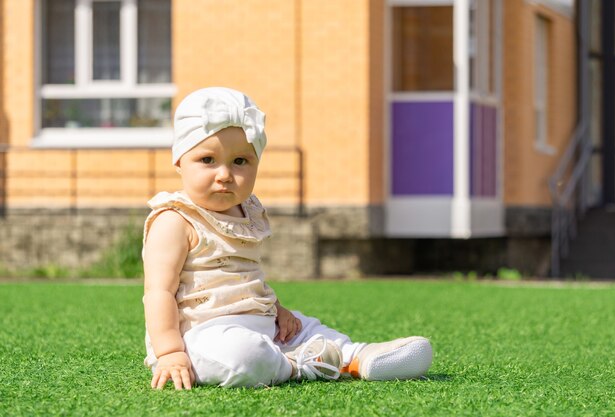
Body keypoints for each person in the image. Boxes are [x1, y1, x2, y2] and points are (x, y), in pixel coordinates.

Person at [142, 87, 433, 390]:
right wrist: (170, 352)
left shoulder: (246, 212)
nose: (225, 174)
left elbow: (246, 276)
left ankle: (356, 356)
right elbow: (158, 292)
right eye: (207, 160)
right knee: (242, 357)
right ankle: (298, 365)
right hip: (203, 334)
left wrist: (278, 309)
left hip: (260, 319)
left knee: (304, 328)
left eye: (240, 161)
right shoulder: (175, 220)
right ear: (179, 161)